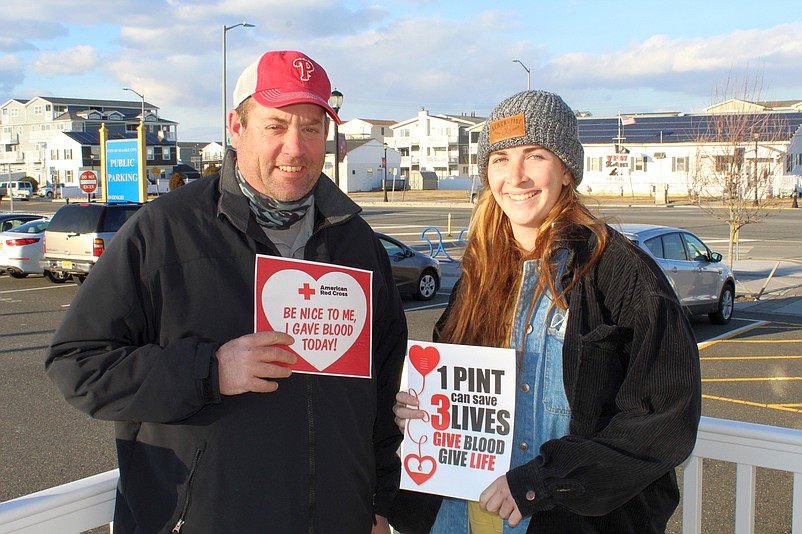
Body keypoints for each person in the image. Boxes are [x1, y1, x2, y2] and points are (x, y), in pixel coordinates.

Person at [45, 50, 408, 533]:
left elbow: (381, 389)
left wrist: (379, 501)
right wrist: (208, 371)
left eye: (312, 128)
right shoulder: (163, 231)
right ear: (236, 129)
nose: (295, 148)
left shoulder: (356, 241)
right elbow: (77, 364)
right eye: (275, 126)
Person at [389, 90, 701, 533]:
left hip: (567, 521)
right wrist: (419, 410)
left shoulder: (620, 274)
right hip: (463, 516)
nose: (515, 176)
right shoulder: (481, 273)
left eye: (534, 155)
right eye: (500, 159)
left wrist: (544, 480)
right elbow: (453, 386)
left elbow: (664, 417)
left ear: (567, 170)